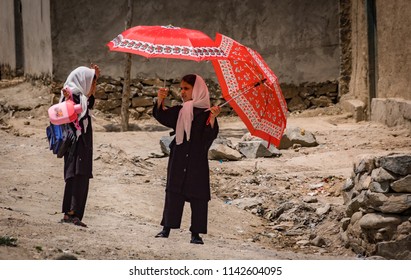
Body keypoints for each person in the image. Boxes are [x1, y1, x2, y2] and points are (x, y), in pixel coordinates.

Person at [153, 74, 221, 244]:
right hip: (179, 158)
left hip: (197, 161)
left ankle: (196, 233)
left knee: (198, 196)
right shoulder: (180, 110)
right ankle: (166, 227)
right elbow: (163, 116)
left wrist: (212, 119)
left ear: (197, 90)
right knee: (173, 191)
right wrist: (160, 100)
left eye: (186, 88)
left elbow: (208, 138)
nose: (182, 92)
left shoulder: (207, 114)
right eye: (181, 88)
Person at [59, 64, 100, 227]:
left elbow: (87, 104)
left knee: (78, 176)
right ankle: (72, 213)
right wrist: (89, 92)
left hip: (78, 143)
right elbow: (81, 111)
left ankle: (72, 213)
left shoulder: (77, 94)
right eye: (92, 82)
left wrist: (94, 78)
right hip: (77, 144)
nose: (94, 86)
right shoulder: (74, 95)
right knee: (77, 176)